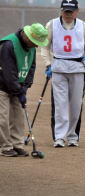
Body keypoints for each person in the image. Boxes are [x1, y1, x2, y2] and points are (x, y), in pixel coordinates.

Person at [41, 0, 85, 147]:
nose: (68, 14)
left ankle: (73, 136)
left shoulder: (82, 26)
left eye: (71, 12)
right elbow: (44, 46)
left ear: (77, 12)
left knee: (75, 105)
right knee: (60, 105)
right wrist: (48, 64)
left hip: (77, 68)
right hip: (58, 67)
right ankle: (59, 137)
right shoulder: (52, 24)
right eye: (65, 11)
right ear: (61, 11)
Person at [0, 23, 48, 157]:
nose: (37, 45)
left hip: (17, 86)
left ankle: (17, 145)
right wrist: (19, 91)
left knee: (18, 117)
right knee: (2, 118)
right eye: (35, 42)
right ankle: (5, 147)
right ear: (27, 37)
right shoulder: (9, 45)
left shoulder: (30, 47)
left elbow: (31, 68)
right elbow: (9, 73)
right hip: (2, 85)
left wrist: (25, 87)